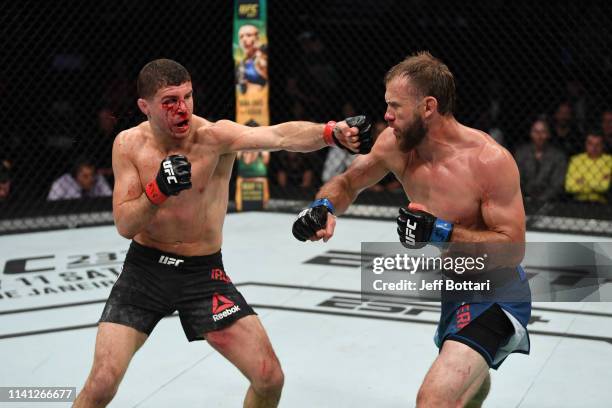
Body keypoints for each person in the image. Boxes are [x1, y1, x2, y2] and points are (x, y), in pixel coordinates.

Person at [73, 58, 371, 408]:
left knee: (269, 377)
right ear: (145, 106)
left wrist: (330, 132)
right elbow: (125, 224)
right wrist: (158, 190)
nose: (182, 108)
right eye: (170, 100)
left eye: (187, 96)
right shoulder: (127, 145)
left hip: (203, 274)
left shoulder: (214, 138)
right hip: (145, 270)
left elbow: (279, 135)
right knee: (102, 383)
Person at [292, 52, 530, 407]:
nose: (386, 115)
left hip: (498, 289)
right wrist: (323, 207)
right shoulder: (396, 146)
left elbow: (512, 248)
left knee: (433, 400)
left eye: (395, 106)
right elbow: (347, 182)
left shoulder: (488, 160)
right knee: (468, 393)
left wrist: (441, 232)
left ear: (428, 106)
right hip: (455, 284)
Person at [514, 118, 567, 203]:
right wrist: (524, 198)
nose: (539, 136)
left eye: (543, 132)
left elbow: (557, 184)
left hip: (550, 202)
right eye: (536, 131)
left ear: (548, 134)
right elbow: (517, 180)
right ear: (530, 133)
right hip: (523, 200)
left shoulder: (558, 156)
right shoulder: (521, 153)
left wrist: (541, 199)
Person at [565, 132, 612, 204]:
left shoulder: (609, 161)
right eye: (590, 144)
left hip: (603, 202)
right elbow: (569, 187)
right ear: (585, 145)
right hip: (578, 202)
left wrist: (582, 182)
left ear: (603, 145)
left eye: (598, 144)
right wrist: (599, 182)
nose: (594, 147)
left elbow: (606, 188)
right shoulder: (576, 160)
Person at [47, 157, 112, 200]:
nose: (91, 179)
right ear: (76, 176)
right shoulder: (61, 184)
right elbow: (50, 207)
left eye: (92, 174)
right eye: (85, 176)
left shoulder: (98, 179)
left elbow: (110, 198)